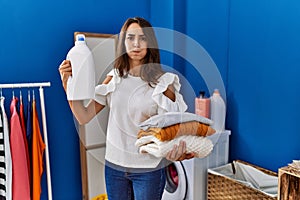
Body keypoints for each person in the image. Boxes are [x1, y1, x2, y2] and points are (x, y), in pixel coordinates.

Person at [59, 17, 194, 200]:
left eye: (142, 38)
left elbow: (173, 128)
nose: (136, 44)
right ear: (123, 42)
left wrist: (179, 150)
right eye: (130, 38)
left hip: (149, 170)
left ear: (150, 43)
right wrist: (68, 85)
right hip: (114, 168)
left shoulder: (164, 83)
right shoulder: (114, 78)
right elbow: (84, 116)